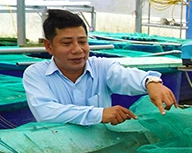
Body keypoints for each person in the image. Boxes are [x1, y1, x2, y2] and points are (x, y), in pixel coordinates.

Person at [22, 9, 177, 126]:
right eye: (67, 43)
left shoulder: (102, 67)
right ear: (49, 46)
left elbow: (127, 76)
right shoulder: (36, 74)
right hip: (57, 147)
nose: (77, 50)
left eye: (82, 42)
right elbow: (46, 112)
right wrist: (99, 114)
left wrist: (151, 82)